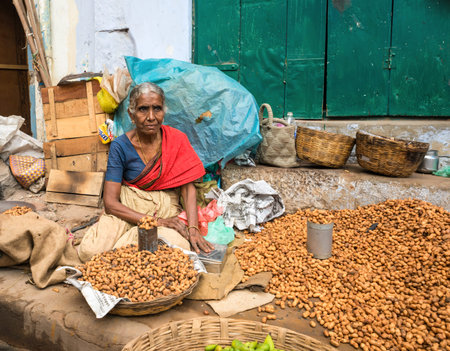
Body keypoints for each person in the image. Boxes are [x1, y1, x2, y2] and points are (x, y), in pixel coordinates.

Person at [78, 82, 214, 262]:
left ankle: (129, 241)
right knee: (90, 251)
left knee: (177, 250)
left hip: (164, 210)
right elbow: (110, 202)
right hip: (127, 209)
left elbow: (188, 189)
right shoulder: (120, 146)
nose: (151, 117)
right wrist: (154, 222)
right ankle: (129, 239)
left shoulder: (177, 140)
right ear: (131, 114)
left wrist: (193, 229)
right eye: (143, 109)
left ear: (164, 112)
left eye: (157, 109)